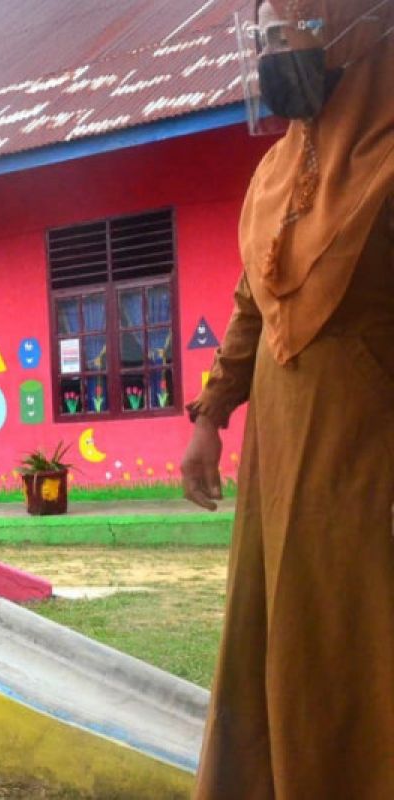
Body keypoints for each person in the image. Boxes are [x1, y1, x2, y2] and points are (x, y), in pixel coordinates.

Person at [181, 1, 394, 796]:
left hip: (368, 441)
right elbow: (251, 299)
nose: (272, 52)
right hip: (279, 434)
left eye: (290, 30)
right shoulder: (276, 169)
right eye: (262, 36)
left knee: (358, 630)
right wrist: (210, 416)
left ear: (355, 33)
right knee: (278, 628)